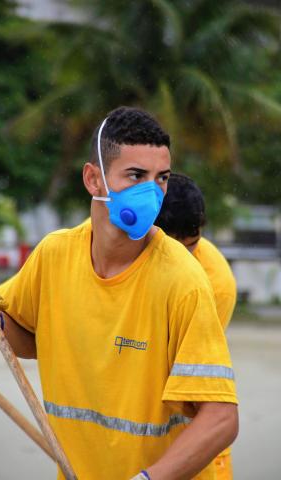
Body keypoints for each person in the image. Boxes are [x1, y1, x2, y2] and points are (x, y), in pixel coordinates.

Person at [0, 107, 238, 480]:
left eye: (161, 178)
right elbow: (30, 339)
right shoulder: (55, 254)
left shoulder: (184, 280)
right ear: (94, 179)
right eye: (137, 176)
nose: (152, 192)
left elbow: (221, 419)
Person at [155, 173, 237, 479]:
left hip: (194, 441)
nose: (184, 261)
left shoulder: (216, 284)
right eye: (175, 249)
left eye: (191, 247)